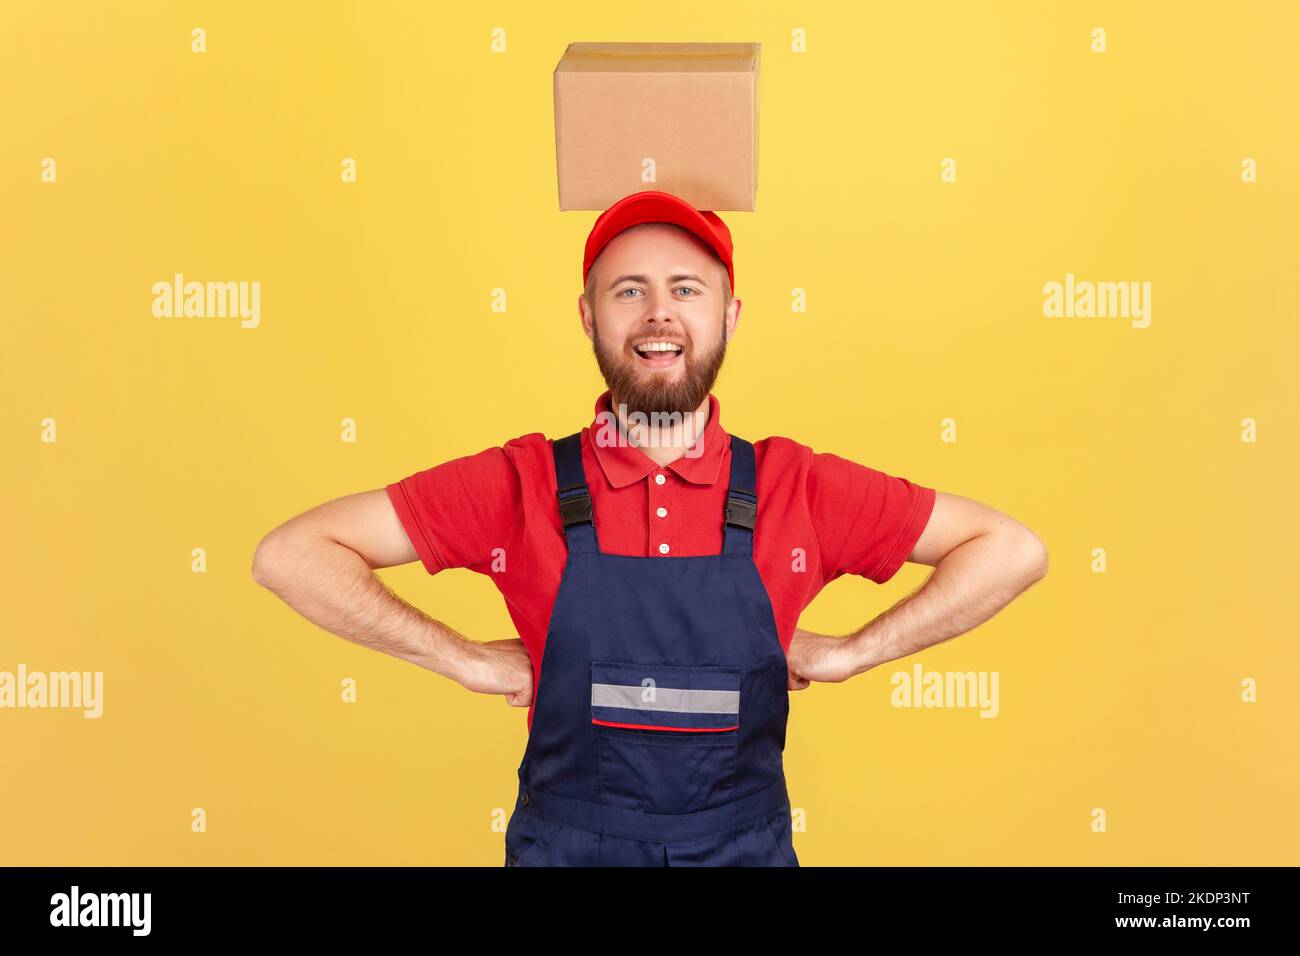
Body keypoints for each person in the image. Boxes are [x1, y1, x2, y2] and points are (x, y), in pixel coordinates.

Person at [251, 189, 1049, 866]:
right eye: (627, 290)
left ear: (730, 316)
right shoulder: (521, 483)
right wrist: (460, 660)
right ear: (588, 316)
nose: (658, 313)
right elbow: (292, 556)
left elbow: (1011, 550)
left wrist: (852, 653)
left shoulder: (794, 486)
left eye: (686, 289)